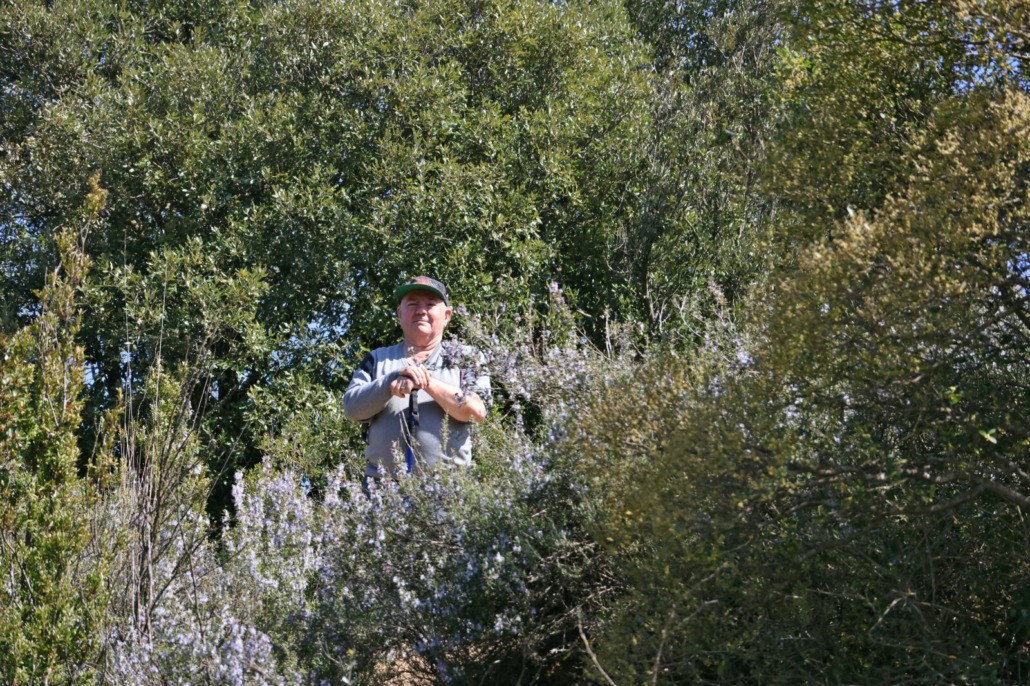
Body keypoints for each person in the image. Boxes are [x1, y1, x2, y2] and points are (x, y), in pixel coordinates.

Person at [343, 276, 490, 479]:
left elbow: (476, 411)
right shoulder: (377, 359)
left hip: (448, 491)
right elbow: (352, 408)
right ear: (400, 313)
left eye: (430, 304)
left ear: (447, 315)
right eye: (412, 304)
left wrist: (426, 382)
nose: (421, 311)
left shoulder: (467, 358)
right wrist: (389, 383)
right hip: (382, 489)